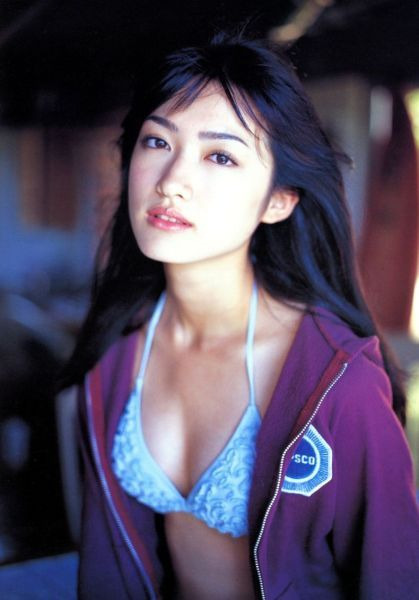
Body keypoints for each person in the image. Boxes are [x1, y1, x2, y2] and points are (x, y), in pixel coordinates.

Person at [60, 33, 419, 599]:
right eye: (157, 141)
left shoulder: (339, 383)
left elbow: (394, 579)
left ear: (279, 200)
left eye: (220, 156)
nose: (172, 181)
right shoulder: (117, 351)